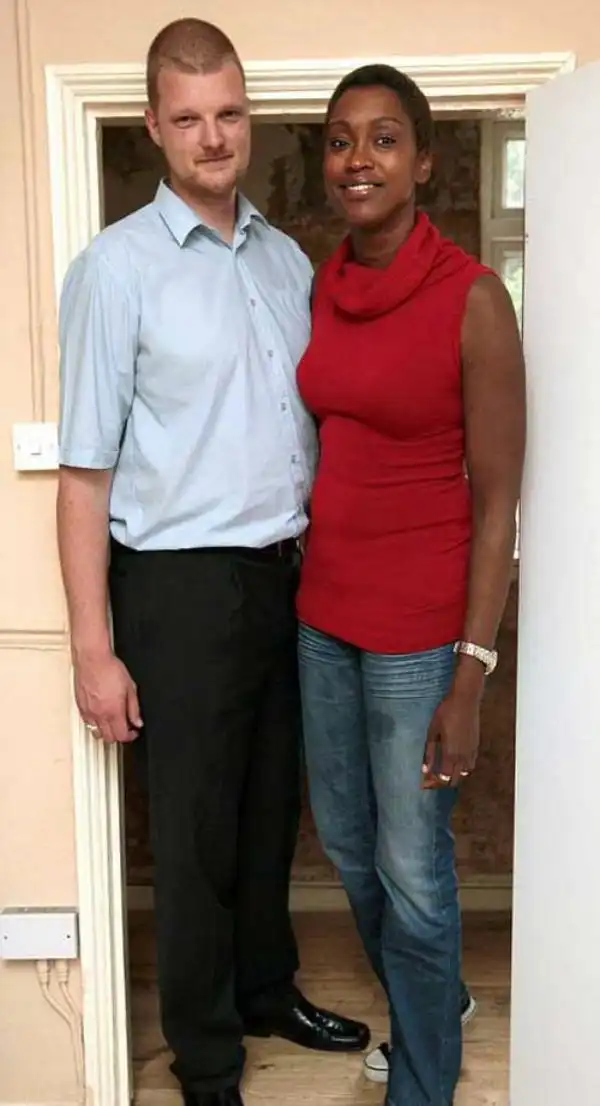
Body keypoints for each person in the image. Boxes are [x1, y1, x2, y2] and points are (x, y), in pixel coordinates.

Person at [55, 19, 369, 1106]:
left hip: (289, 573)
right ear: (154, 126)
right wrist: (94, 649)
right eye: (188, 119)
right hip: (179, 585)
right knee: (192, 833)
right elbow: (82, 475)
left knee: (272, 806)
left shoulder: (286, 260)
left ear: (249, 114)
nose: (213, 137)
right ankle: (205, 1057)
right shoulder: (115, 270)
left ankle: (265, 988)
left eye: (229, 113)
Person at [296, 64, 525, 1106]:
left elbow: (498, 501)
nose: (359, 159)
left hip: (417, 639)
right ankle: (435, 1006)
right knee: (349, 844)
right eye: (342, 139)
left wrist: (470, 672)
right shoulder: (325, 284)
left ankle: (424, 1082)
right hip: (322, 618)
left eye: (384, 139)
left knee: (414, 866)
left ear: (424, 161)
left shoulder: (472, 298)